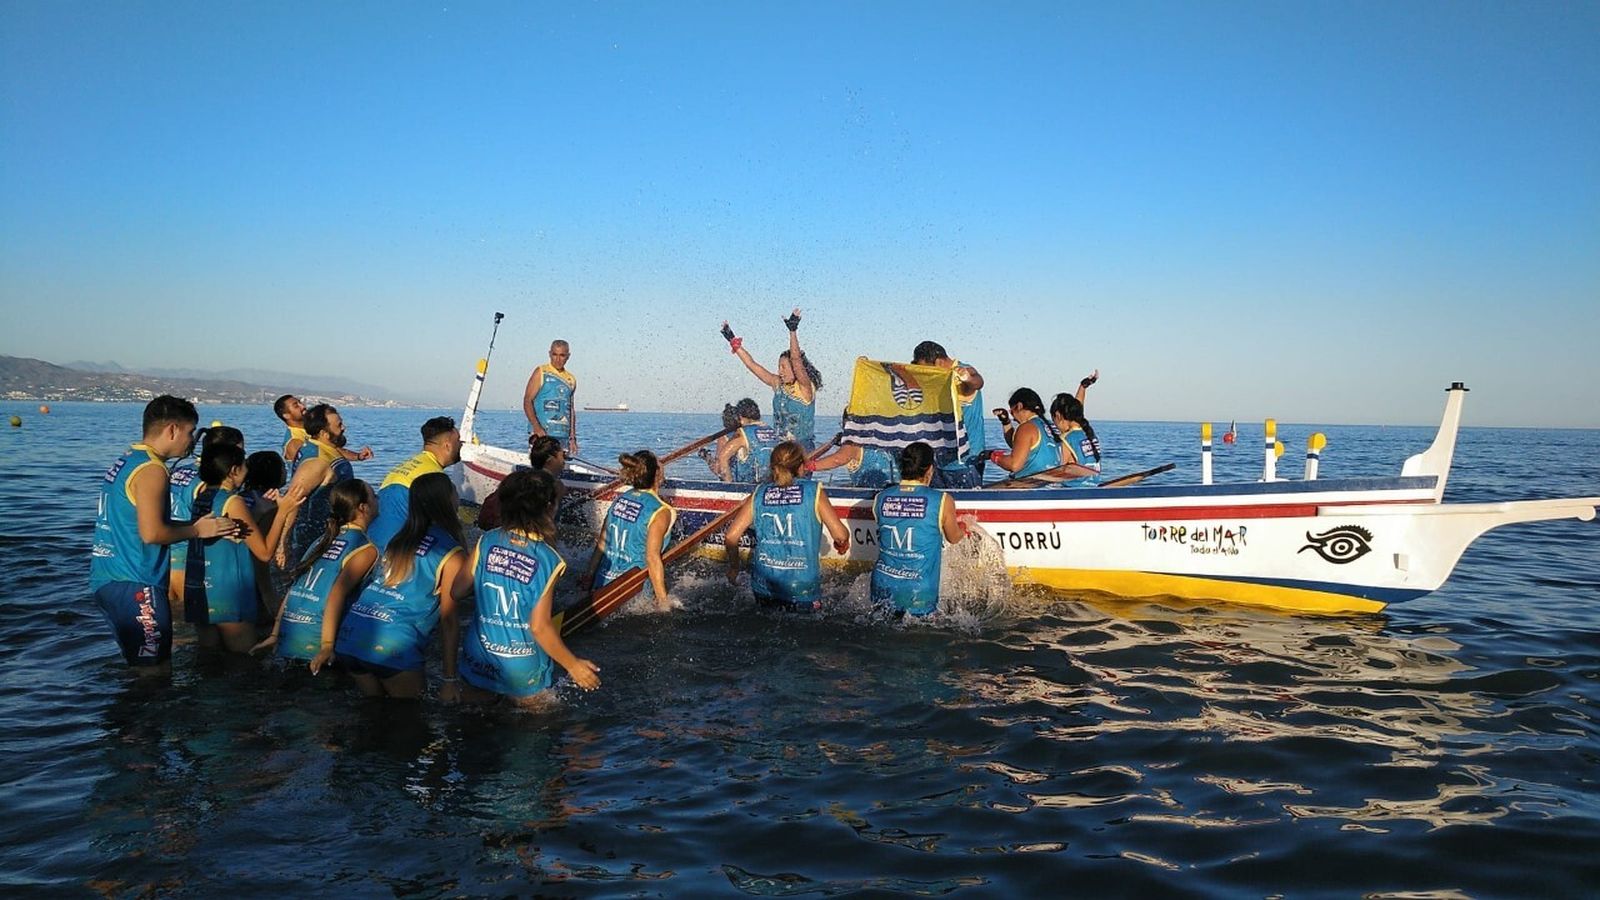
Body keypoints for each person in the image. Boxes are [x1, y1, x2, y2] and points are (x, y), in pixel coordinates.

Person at [90, 395, 239, 672]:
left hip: (107, 576)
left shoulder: (127, 460)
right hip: (137, 582)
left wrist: (204, 525)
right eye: (190, 431)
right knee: (154, 674)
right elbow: (152, 533)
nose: (192, 440)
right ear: (172, 429)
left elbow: (139, 519)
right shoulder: (153, 470)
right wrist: (196, 530)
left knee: (139, 664)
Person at [459, 468, 601, 705]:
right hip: (521, 665)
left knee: (472, 727)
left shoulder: (487, 540)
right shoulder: (550, 560)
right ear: (549, 508)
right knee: (534, 730)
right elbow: (539, 627)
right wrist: (573, 665)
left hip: (479, 657)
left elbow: (458, 590)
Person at [333, 473, 467, 699]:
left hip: (350, 637)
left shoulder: (399, 540)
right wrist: (449, 679)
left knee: (373, 717)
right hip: (393, 645)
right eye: (454, 491)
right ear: (446, 501)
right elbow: (449, 620)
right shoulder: (451, 553)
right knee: (408, 722)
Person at [182, 442, 304, 653]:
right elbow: (264, 553)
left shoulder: (202, 498)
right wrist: (283, 511)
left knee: (208, 661)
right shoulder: (233, 502)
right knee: (245, 663)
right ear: (234, 471)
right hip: (229, 593)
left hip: (199, 590)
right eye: (245, 464)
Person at [255, 480, 379, 664]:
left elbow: (296, 584)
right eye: (373, 496)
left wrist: (275, 633)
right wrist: (328, 646)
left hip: (290, 634)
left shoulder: (323, 539)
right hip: (317, 641)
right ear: (363, 507)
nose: (378, 499)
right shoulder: (365, 549)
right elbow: (336, 595)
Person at [723, 441, 851, 610]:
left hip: (763, 585)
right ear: (800, 467)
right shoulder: (814, 491)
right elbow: (840, 535)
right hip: (802, 587)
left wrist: (734, 567)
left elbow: (731, 537)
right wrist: (842, 543)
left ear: (773, 467)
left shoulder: (759, 492)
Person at [870, 442, 967, 617]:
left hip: (881, 585)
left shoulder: (880, 498)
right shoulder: (942, 500)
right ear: (930, 469)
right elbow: (953, 537)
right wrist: (966, 527)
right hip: (919, 592)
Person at [583, 451, 677, 612]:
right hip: (633, 593)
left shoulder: (620, 499)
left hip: (602, 584)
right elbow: (652, 558)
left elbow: (602, 543)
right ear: (657, 474)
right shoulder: (661, 511)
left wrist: (589, 576)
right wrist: (663, 602)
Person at [721, 309, 821, 450]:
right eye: (779, 367)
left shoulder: (805, 388)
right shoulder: (777, 384)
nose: (780, 371)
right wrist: (733, 341)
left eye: (784, 367)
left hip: (802, 450)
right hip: (779, 447)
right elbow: (752, 365)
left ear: (796, 369)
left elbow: (796, 359)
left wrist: (792, 331)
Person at [168, 425, 245, 607]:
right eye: (240, 450)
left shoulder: (179, 471)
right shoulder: (210, 482)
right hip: (190, 560)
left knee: (174, 625)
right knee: (194, 626)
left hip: (166, 556)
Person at [277, 403, 357, 568]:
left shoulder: (322, 447)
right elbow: (292, 502)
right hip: (311, 540)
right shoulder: (316, 463)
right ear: (324, 433)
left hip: (328, 534)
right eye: (339, 425)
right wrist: (282, 544)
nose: (344, 428)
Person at [368, 416, 463, 550]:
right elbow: (448, 527)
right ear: (448, 446)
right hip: (397, 550)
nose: (461, 444)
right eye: (459, 440)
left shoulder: (402, 467)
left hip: (372, 542)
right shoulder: (437, 478)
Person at [911, 341, 987, 488]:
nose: (924, 374)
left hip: (966, 463)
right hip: (936, 461)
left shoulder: (962, 370)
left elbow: (977, 382)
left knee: (966, 508)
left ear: (939, 362)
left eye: (925, 369)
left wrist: (968, 378)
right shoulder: (935, 378)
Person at [477, 435, 567, 529]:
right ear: (550, 460)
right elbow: (548, 522)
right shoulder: (556, 486)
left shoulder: (520, 479)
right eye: (563, 455)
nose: (565, 461)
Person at [277, 393, 373, 469]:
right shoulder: (294, 441)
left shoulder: (310, 429)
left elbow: (331, 449)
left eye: (300, 402)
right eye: (296, 406)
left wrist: (358, 456)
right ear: (286, 415)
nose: (303, 406)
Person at [808, 409, 899, 488]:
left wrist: (806, 467)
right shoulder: (892, 439)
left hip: (868, 497)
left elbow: (838, 459)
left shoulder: (854, 443)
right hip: (897, 493)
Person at [988, 388, 1064, 479]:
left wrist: (994, 456)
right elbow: (1019, 446)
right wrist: (1006, 422)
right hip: (1053, 483)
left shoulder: (1027, 427)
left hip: (1031, 485)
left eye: (1011, 411)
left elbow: (1014, 465)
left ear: (1019, 406)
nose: (1013, 417)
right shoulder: (1052, 427)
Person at [523, 340, 579, 455]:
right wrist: (537, 428)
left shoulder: (571, 379)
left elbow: (571, 410)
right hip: (542, 434)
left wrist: (573, 437)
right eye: (554, 354)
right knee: (541, 469)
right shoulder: (541, 372)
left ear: (568, 356)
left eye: (562, 355)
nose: (558, 359)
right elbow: (527, 400)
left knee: (560, 469)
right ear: (550, 354)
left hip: (563, 436)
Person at [1049, 385, 1103, 488]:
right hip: (1093, 486)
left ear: (1058, 416)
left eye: (1054, 421)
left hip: (1073, 489)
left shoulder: (1066, 439)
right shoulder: (1089, 434)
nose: (1055, 426)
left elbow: (1061, 471)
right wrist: (1082, 387)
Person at [715, 398, 779, 484]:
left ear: (740, 417)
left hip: (746, 487)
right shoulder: (772, 431)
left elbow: (722, 458)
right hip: (768, 486)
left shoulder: (742, 432)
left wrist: (728, 484)